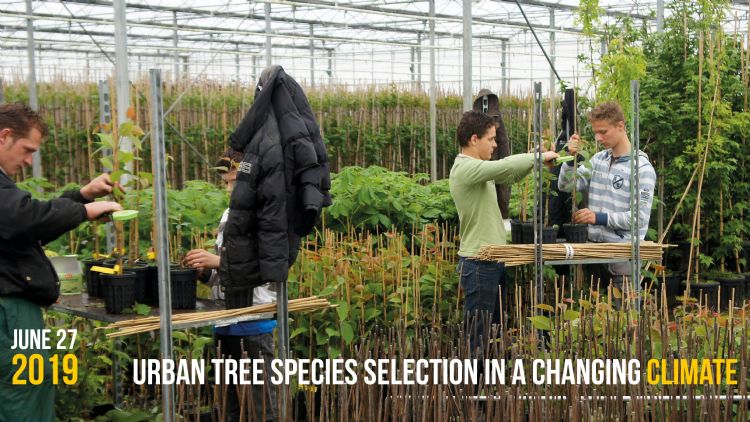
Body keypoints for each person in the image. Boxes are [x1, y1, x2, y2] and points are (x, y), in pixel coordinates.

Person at [0, 102, 122, 421]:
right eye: (27, 150)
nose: (29, 161)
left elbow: (24, 230)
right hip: (8, 312)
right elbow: (23, 218)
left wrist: (82, 196)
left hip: (13, 310)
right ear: (4, 136)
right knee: (22, 395)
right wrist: (84, 210)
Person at [449, 110, 558, 354]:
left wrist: (536, 160)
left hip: (492, 260)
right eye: (491, 139)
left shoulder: (479, 169)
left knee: (493, 334)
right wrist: (538, 156)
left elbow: (510, 175)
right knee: (478, 336)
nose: (495, 144)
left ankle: (487, 377)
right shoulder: (465, 169)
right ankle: (472, 379)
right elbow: (505, 166)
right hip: (479, 262)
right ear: (474, 139)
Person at [184, 149, 277, 422]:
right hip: (225, 322)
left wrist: (217, 261)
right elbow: (225, 274)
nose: (229, 189)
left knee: (261, 407)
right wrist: (205, 272)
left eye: (235, 181)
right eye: (226, 183)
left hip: (254, 322)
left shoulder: (268, 215)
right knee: (228, 407)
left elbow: (266, 267)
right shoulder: (229, 215)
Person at [558, 101, 656, 305]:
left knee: (626, 316)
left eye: (603, 132)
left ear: (620, 126)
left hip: (622, 259)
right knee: (596, 316)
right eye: (595, 132)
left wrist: (598, 218)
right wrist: (569, 158)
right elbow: (566, 186)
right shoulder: (598, 160)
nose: (598, 138)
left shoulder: (642, 169)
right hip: (595, 254)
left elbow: (638, 218)